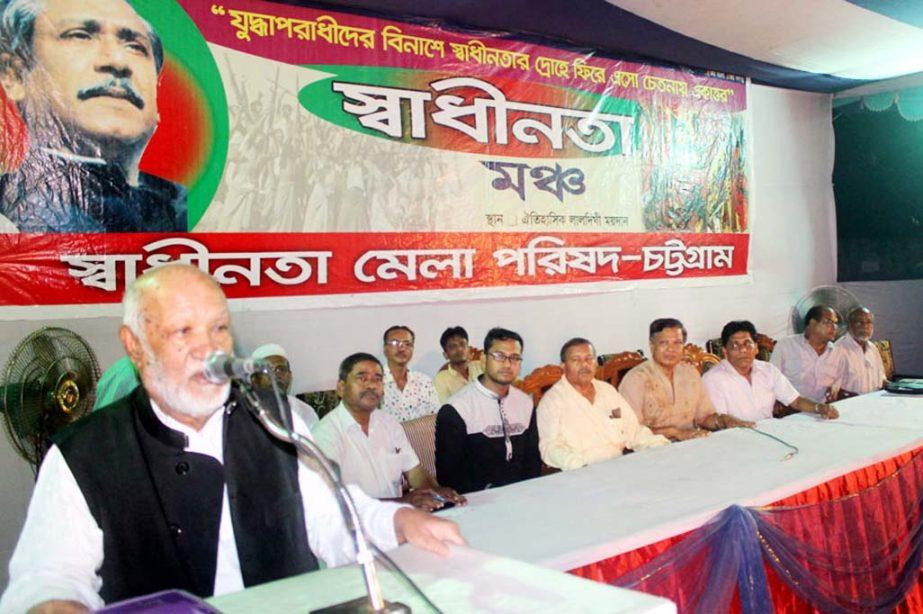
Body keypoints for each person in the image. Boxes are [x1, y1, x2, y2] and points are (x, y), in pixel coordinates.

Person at [0, 264, 464, 612]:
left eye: (219, 328)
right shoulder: (85, 452)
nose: (210, 349)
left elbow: (331, 516)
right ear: (135, 345)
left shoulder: (274, 420)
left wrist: (399, 523)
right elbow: (47, 579)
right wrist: (53, 602)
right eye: (184, 331)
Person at [0, 0, 186, 232]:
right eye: (80, 36)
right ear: (14, 76)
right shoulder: (6, 215)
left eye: (135, 47)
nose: (117, 62)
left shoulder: (191, 210)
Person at [312, 353, 466, 512]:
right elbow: (332, 502)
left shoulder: (389, 423)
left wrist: (435, 493)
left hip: (397, 518)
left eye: (378, 379)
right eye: (362, 378)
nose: (372, 385)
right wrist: (403, 502)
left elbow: (415, 472)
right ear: (341, 387)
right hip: (354, 528)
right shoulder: (324, 435)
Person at [435, 327, 541, 494]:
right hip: (478, 499)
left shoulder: (525, 403)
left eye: (514, 358)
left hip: (523, 495)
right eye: (499, 356)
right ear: (484, 359)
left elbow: (533, 461)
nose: (507, 364)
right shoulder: (456, 409)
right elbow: (448, 476)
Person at [537, 338, 668, 471]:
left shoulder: (608, 391)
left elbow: (632, 430)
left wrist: (658, 445)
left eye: (589, 358)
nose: (584, 365)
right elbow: (550, 447)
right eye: (576, 360)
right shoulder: (553, 401)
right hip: (580, 471)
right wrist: (577, 466)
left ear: (596, 363)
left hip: (620, 466)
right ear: (563, 366)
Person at [619, 318, 752, 441]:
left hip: (690, 445)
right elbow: (630, 431)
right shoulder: (635, 379)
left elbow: (705, 417)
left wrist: (723, 420)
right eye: (664, 343)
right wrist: (674, 432)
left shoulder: (690, 373)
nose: (671, 349)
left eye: (677, 343)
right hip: (652, 450)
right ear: (651, 345)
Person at [703, 321, 839, 422]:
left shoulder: (768, 370)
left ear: (756, 348)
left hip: (770, 432)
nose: (743, 350)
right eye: (735, 345)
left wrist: (819, 408)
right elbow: (718, 421)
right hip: (735, 439)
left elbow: (796, 401)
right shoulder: (714, 378)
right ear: (725, 352)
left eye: (747, 343)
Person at [770, 305, 850, 402]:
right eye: (829, 322)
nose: (834, 327)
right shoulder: (785, 346)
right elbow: (772, 380)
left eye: (835, 323)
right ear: (813, 323)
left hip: (824, 409)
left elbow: (838, 379)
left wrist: (834, 388)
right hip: (791, 409)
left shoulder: (838, 352)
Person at [250, 343, 319, 428]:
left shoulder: (305, 411)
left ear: (290, 375)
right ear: (254, 380)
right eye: (267, 370)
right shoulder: (245, 412)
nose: (276, 375)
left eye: (281, 369)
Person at [380, 325, 439, 422]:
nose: (402, 349)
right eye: (395, 343)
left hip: (422, 436)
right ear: (385, 348)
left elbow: (436, 419)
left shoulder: (424, 382)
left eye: (407, 344)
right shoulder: (375, 382)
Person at [834, 307, 887, 394]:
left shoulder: (873, 348)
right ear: (849, 325)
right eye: (860, 322)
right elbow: (831, 389)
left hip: (874, 403)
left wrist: (898, 387)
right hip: (849, 404)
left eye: (869, 322)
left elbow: (881, 380)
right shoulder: (838, 350)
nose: (865, 326)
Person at [433, 326, 483, 403]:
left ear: (468, 348)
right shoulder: (441, 379)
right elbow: (445, 409)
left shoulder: (481, 366)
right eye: (453, 347)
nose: (460, 349)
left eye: (462, 344)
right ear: (446, 355)